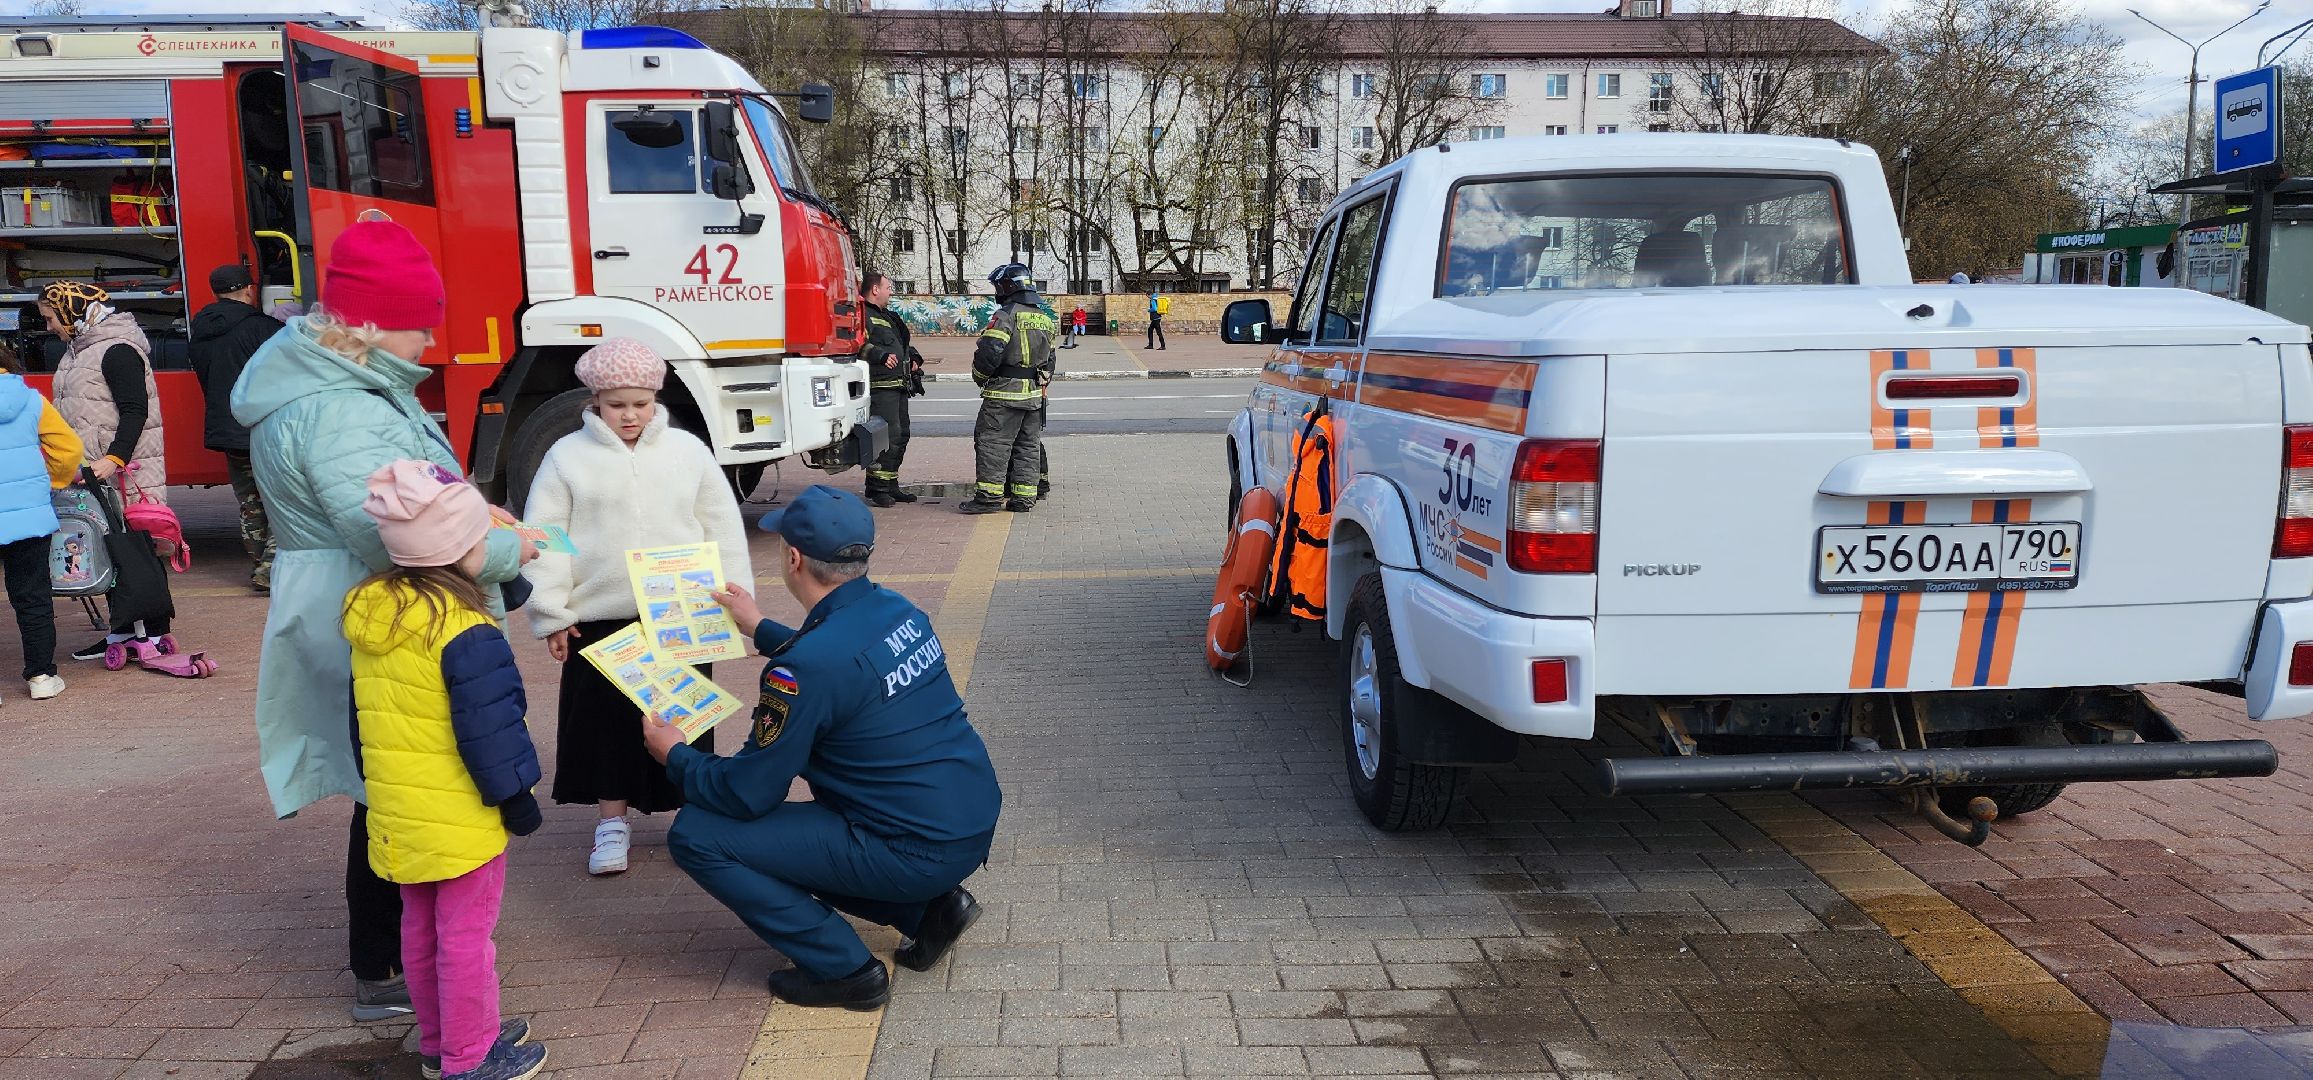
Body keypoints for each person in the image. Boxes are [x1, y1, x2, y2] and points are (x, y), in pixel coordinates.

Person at [233, 218, 536, 1022]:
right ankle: (395, 973)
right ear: (367, 324)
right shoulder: (343, 412)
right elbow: (403, 539)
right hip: (391, 616)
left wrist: (472, 513)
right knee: (401, 791)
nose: (432, 337)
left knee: (389, 787)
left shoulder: (330, 385)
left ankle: (402, 967)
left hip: (352, 602)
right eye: (420, 320)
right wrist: (510, 550)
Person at [650, 484, 1001, 1009]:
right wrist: (758, 626)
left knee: (699, 835)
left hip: (911, 846)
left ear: (792, 558)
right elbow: (847, 660)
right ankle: (931, 913)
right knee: (803, 843)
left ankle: (846, 972)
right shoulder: (897, 610)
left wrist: (676, 755)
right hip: (963, 819)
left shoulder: (802, 670)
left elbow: (750, 793)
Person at [344, 460, 547, 1080]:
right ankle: (470, 1057)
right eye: (483, 539)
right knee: (466, 939)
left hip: (397, 810)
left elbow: (362, 719)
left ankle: (440, 1042)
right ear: (461, 551)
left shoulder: (374, 613)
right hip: (460, 817)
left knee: (421, 931)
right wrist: (517, 798)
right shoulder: (466, 631)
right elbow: (493, 732)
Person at [520, 337, 751, 876]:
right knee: (606, 724)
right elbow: (547, 537)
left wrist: (734, 594)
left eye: (640, 403)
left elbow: (720, 524)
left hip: (682, 610)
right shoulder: (566, 457)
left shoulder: (688, 452)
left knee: (684, 717)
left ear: (656, 398)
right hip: (601, 616)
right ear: (594, 401)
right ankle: (612, 822)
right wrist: (553, 612)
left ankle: (693, 818)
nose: (629, 415)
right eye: (616, 403)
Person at [37, 282, 173, 660]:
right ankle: (124, 632)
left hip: (120, 472)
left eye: (50, 318)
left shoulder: (117, 351)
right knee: (111, 552)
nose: (48, 326)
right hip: (93, 473)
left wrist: (112, 459)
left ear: (72, 311)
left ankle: (149, 632)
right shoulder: (79, 351)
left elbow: (134, 411)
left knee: (133, 552)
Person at [0, 343, 85, 703]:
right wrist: (49, 481)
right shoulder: (31, 400)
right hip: (27, 517)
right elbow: (69, 449)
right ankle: (41, 676)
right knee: (32, 598)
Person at [191, 263, 281, 593]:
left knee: (250, 500)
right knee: (279, 497)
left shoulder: (200, 329)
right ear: (248, 289)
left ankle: (259, 564)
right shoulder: (262, 329)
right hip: (263, 428)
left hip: (228, 429)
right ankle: (272, 570)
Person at [960, 263, 1057, 515]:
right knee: (1027, 446)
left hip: (1003, 395)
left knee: (993, 443)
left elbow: (989, 352)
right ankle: (1024, 499)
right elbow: (1051, 360)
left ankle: (988, 499)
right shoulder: (1045, 318)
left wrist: (980, 378)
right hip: (1034, 395)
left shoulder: (1005, 316)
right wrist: (1042, 381)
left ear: (1008, 287)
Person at [858, 273, 920, 508]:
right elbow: (856, 345)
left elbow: (901, 344)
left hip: (898, 384)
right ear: (875, 289)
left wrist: (914, 357)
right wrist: (879, 355)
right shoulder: (863, 315)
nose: (890, 292)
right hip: (880, 385)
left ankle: (890, 484)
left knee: (901, 434)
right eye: (887, 287)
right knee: (886, 436)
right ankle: (877, 488)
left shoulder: (888, 317)